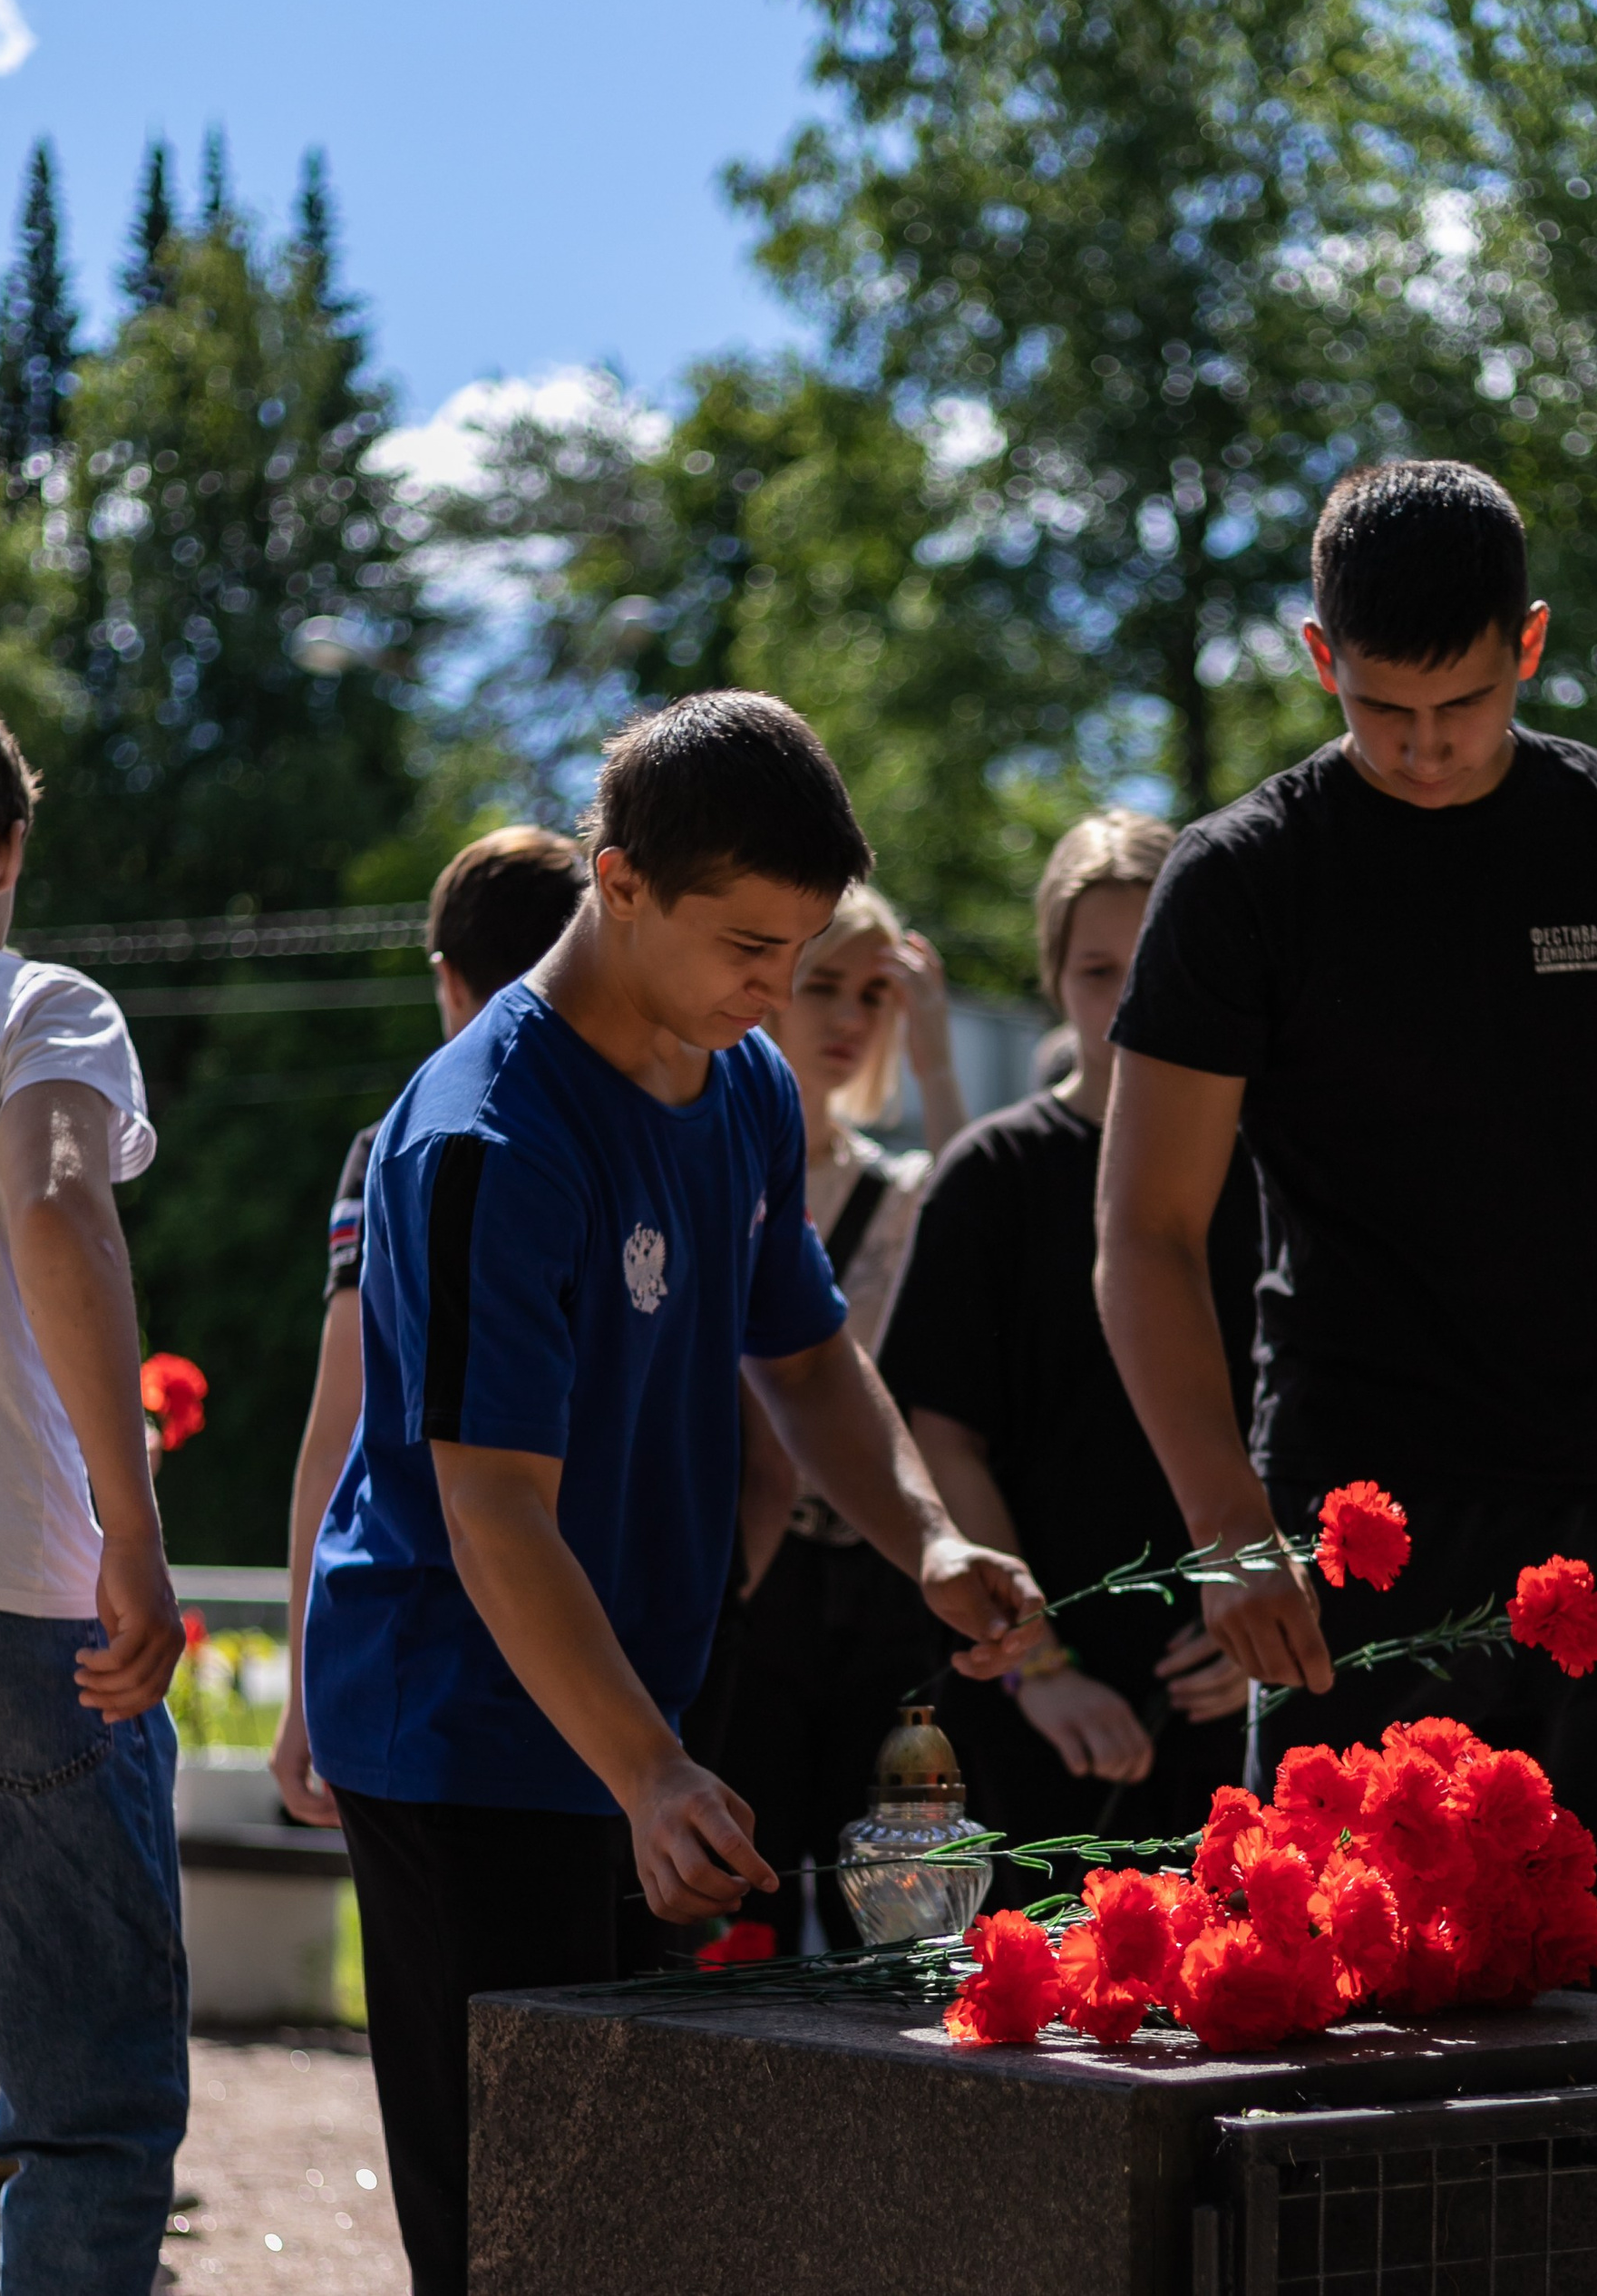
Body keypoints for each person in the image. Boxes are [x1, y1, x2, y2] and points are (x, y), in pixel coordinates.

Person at [300, 690, 1043, 2294]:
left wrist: (927, 1534)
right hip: (463, 1734)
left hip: (641, 1730)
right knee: (513, 2231)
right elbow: (492, 1509)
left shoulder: (747, 1086)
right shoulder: (491, 1137)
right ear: (616, 882)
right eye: (749, 948)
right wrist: (644, 1766)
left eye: (804, 951)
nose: (779, 994)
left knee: (635, 2213)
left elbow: (810, 1355)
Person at [1096, 458, 1597, 2002]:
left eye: (1462, 707)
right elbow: (1145, 1231)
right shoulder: (1239, 878)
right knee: (1351, 2015)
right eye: (1382, 710)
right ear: (1317, 656)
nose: (1422, 749)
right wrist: (1229, 1520)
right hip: (1350, 1523)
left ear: (1529, 645)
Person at [881, 812, 1255, 1901]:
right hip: (1035, 1713)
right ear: (1053, 978)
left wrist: (1263, 1620)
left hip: (1234, 1697)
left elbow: (1318, 1417)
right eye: (1098, 970)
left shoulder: (1273, 1170)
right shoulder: (991, 1176)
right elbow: (935, 1429)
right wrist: (1039, 1669)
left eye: (1157, 965)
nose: (1131, 1000)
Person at [0, 685, 188, 2293]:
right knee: (88, 2113)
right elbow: (58, 1209)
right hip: (11, 1610)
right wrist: (136, 1525)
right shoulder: (39, 1003)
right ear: (6, 848)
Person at [271, 824, 588, 1826]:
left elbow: (341, 1423)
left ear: (449, 979)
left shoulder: (397, 1145)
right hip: (632, 1646)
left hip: (435, 1672)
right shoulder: (638, 1125)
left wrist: (303, 1684)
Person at [709, 884, 971, 1950]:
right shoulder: (713, 1152)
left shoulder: (903, 1184)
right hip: (753, 1562)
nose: (849, 1019)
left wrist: (940, 1061)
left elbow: (977, 1218)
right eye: (822, 986)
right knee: (755, 1878)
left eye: (875, 995)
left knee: (894, 1885)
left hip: (878, 1568)